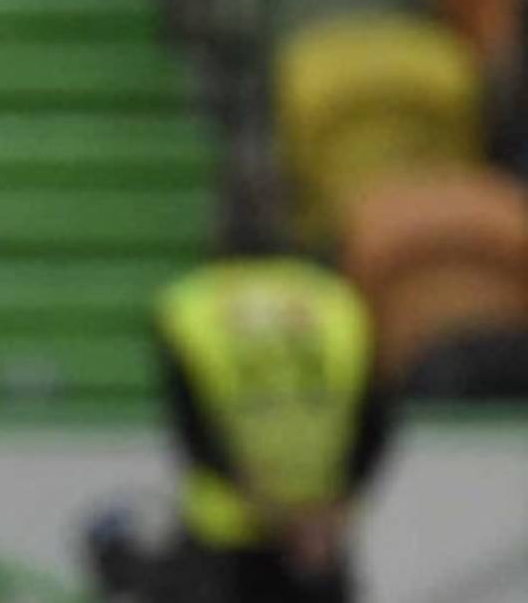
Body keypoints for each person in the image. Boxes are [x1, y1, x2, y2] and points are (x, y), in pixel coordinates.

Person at [86, 257, 393, 603]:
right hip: (314, 534)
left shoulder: (191, 304)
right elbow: (377, 415)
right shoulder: (337, 301)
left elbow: (193, 430)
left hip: (227, 538)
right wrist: (335, 507)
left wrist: (266, 505)